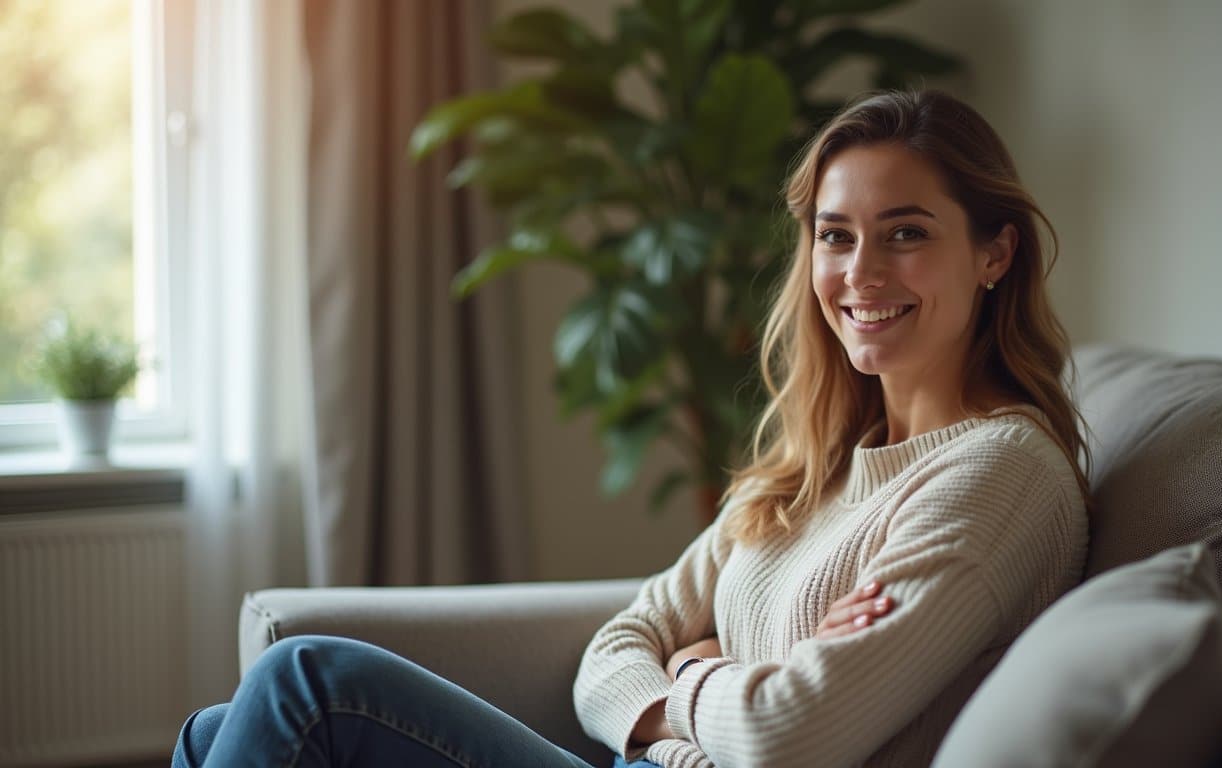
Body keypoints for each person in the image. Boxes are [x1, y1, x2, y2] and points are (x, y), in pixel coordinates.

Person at [172, 88, 1090, 768]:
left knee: (306, 684)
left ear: (994, 253)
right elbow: (614, 648)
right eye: (835, 235)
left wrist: (691, 670)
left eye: (906, 233)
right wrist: (734, 680)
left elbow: (787, 735)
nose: (860, 273)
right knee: (217, 731)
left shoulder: (1000, 473)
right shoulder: (819, 466)